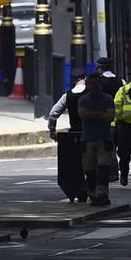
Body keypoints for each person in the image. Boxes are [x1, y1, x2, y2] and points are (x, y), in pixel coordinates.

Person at [46, 74, 89, 202]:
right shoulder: (91, 93)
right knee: (92, 164)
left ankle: (77, 190)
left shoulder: (67, 95)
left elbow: (53, 113)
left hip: (74, 134)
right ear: (85, 78)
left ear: (73, 80)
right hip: (91, 133)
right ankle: (90, 190)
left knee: (75, 164)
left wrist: (52, 130)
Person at [78, 73, 116, 206]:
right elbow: (83, 115)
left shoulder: (108, 98)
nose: (94, 86)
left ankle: (102, 194)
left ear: (100, 84)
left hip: (104, 139)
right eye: (91, 83)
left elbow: (110, 117)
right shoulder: (83, 100)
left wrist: (91, 114)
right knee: (89, 170)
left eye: (96, 83)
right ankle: (92, 194)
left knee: (103, 168)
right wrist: (101, 113)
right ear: (87, 85)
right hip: (88, 139)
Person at [96, 57, 125, 176]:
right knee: (117, 144)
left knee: (108, 145)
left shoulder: (99, 82)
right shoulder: (121, 81)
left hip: (104, 118)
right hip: (120, 118)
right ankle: (120, 168)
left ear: (100, 68)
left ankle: (112, 170)